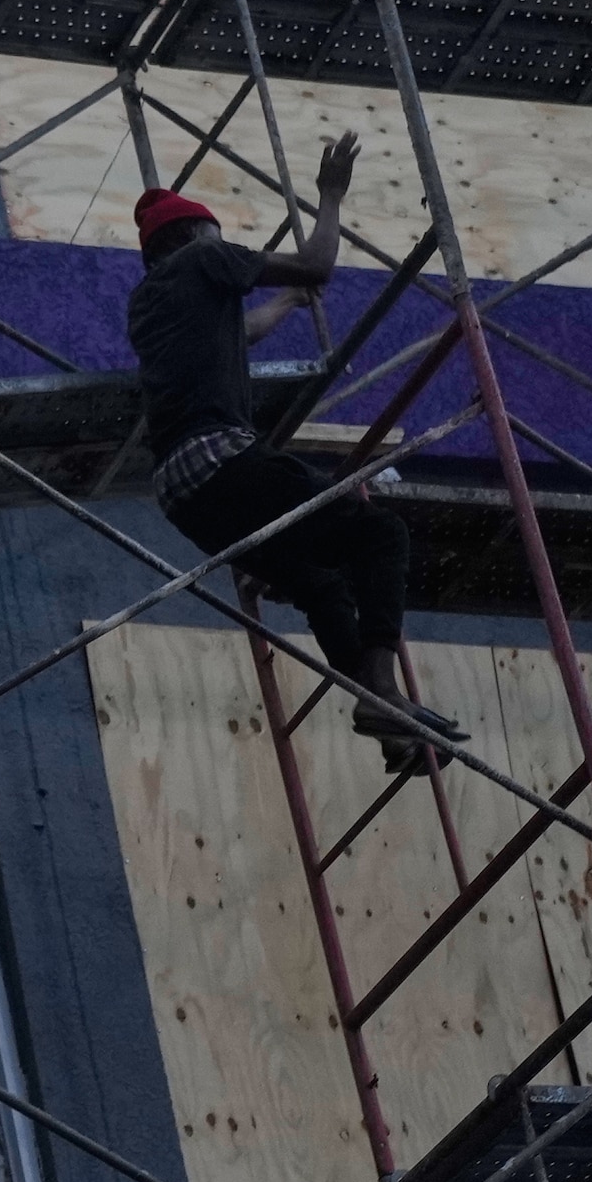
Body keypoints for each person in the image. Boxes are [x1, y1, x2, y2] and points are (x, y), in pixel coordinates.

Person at [130, 134, 465, 775]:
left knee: (320, 584)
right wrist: (330, 195)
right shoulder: (205, 261)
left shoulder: (149, 302)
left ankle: (386, 724)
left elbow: (243, 329)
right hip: (222, 459)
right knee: (379, 534)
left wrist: (282, 303)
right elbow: (317, 263)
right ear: (195, 235)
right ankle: (385, 693)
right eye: (214, 232)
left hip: (183, 492)